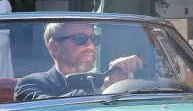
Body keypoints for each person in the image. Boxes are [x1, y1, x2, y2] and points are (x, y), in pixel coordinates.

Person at [13, 22, 143, 101]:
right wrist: (104, 86)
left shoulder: (104, 78)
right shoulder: (30, 84)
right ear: (55, 47)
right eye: (80, 38)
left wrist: (128, 77)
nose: (90, 45)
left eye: (94, 39)